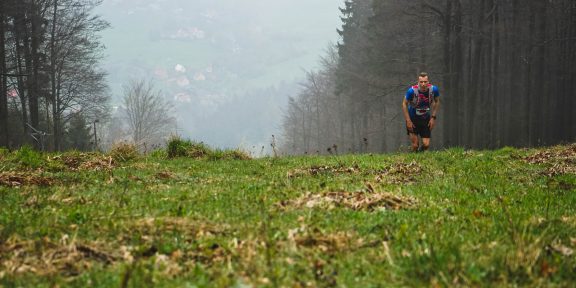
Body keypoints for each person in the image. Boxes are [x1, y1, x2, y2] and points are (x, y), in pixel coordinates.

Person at [402, 72, 441, 152]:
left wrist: (433, 117)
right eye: (421, 82)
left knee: (426, 145)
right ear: (418, 82)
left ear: (428, 82)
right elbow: (404, 104)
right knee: (415, 145)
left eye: (425, 82)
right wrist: (408, 120)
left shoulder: (434, 90)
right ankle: (413, 160)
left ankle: (420, 156)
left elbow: (437, 101)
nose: (423, 84)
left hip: (425, 119)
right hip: (413, 119)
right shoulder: (412, 91)